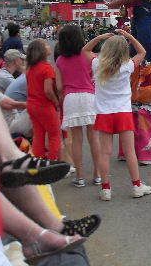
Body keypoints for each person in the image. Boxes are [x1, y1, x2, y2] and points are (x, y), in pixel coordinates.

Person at [87, 30, 151, 201]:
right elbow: (142, 52)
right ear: (124, 50)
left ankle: (106, 189)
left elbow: (85, 51)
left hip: (104, 113)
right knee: (130, 151)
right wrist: (129, 36)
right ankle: (137, 185)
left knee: (105, 153)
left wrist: (100, 37)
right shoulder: (127, 66)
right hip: (123, 112)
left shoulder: (98, 64)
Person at [55, 24, 101, 188]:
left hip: (70, 99)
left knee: (76, 140)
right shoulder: (87, 56)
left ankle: (80, 177)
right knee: (94, 138)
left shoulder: (60, 60)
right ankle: (97, 175)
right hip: (89, 96)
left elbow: (59, 87)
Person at [25, 39, 61, 160]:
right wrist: (56, 102)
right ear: (42, 50)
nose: (49, 46)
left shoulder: (30, 68)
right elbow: (48, 90)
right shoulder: (47, 68)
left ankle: (39, 160)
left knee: (38, 134)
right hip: (44, 105)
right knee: (54, 134)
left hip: (31, 104)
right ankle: (52, 162)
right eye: (46, 45)